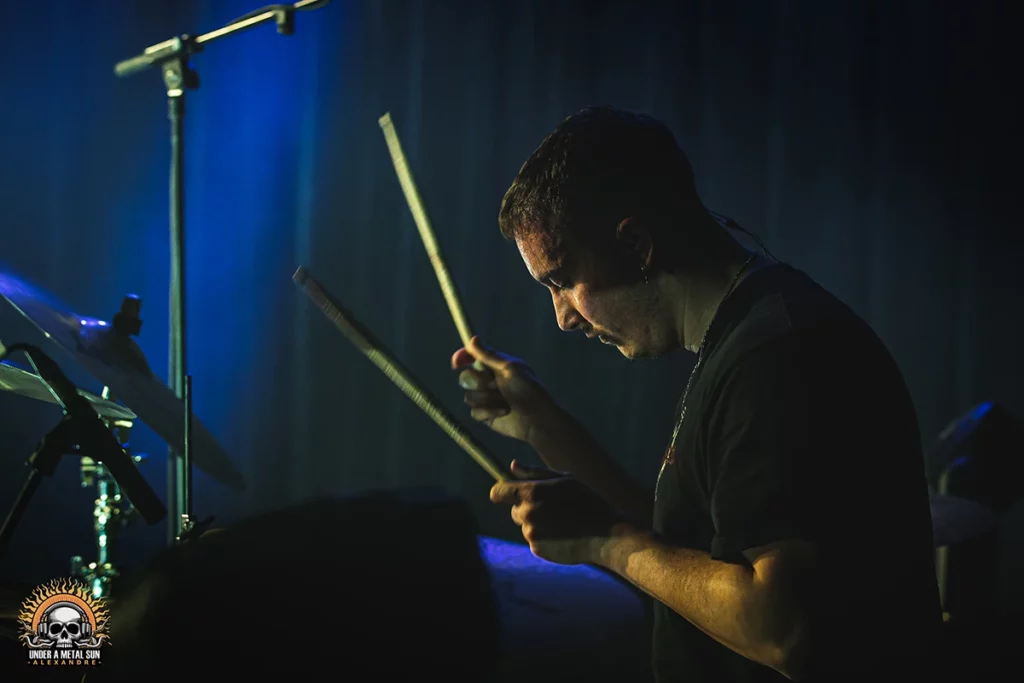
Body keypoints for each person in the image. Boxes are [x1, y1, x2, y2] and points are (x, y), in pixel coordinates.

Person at [451, 106, 942, 681]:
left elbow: (780, 625)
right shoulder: (749, 336)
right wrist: (542, 425)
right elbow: (687, 550)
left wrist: (605, 542)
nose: (563, 318)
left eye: (561, 281)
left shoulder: (776, 356)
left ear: (635, 244)